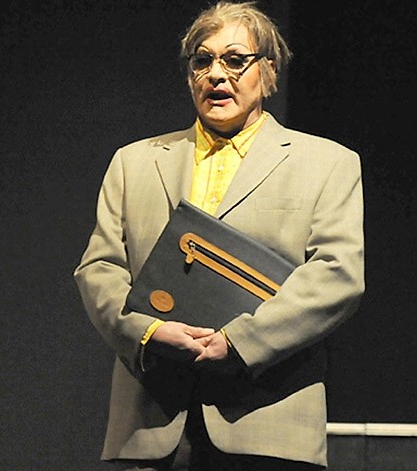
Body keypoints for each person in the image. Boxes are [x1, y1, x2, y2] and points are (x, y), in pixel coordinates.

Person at [73, 2, 364, 470]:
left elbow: (337, 275)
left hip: (267, 424)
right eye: (202, 60)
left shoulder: (327, 163)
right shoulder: (134, 162)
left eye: (234, 59)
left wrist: (240, 341)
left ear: (268, 70)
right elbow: (99, 268)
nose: (215, 74)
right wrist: (148, 331)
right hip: (150, 424)